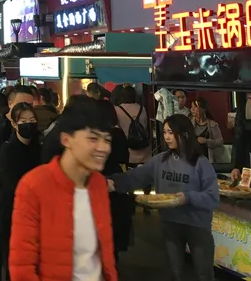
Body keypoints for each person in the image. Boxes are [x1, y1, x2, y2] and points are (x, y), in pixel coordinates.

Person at [9, 98, 118, 281]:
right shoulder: (34, 185)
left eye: (107, 140)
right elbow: (22, 267)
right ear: (66, 139)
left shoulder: (98, 184)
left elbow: (103, 255)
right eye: (93, 138)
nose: (103, 148)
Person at [110, 114, 219, 281]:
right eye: (165, 132)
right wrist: (112, 183)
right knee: (175, 273)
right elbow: (135, 177)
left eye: (171, 132)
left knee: (204, 274)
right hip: (170, 224)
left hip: (197, 226)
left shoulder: (201, 163)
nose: (167, 137)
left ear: (185, 134)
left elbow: (212, 197)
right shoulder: (160, 160)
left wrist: (187, 198)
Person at [0, 102, 40, 273]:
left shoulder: (38, 146)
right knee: (15, 265)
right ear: (13, 124)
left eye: (32, 119)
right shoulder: (7, 149)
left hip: (35, 214)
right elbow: (8, 181)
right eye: (23, 121)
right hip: (11, 214)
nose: (29, 124)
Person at [94, 98, 133, 264]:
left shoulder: (99, 137)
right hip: (119, 187)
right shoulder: (119, 134)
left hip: (102, 187)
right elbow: (125, 157)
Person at [0, 86, 35, 178]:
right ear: (10, 104)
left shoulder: (33, 125)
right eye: (20, 104)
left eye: (30, 105)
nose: (25, 108)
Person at [115, 86, 151, 165]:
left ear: (123, 96)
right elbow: (145, 126)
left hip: (128, 152)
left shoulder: (117, 109)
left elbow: (118, 129)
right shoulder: (142, 108)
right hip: (144, 151)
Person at [189, 98, 224, 163]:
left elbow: (220, 142)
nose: (192, 109)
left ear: (203, 109)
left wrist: (206, 141)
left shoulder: (213, 125)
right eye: (191, 107)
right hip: (192, 158)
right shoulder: (189, 123)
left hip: (208, 158)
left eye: (195, 107)